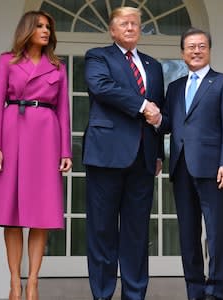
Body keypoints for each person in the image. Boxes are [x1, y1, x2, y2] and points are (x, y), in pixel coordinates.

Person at [149, 28, 223, 300]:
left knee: (216, 236)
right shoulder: (175, 88)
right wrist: (154, 118)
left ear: (209, 50)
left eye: (201, 46)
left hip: (214, 170)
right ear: (182, 53)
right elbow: (167, 123)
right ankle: (195, 292)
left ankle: (215, 293)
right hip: (181, 168)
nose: (196, 51)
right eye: (191, 47)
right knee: (188, 238)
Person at [0, 11, 72, 300]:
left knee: (41, 214)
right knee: (10, 214)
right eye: (40, 26)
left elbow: (63, 111)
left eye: (48, 27)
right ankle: (14, 283)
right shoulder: (6, 61)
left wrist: (65, 151)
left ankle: (33, 282)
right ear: (27, 30)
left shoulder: (58, 67)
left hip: (46, 136)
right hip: (11, 134)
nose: (46, 31)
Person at [82, 6, 164, 300]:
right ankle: (102, 295)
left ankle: (135, 295)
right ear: (112, 29)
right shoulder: (98, 56)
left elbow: (159, 111)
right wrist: (143, 106)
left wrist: (158, 154)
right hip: (106, 155)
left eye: (135, 24)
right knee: (102, 232)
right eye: (123, 23)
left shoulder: (153, 66)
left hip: (142, 159)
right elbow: (101, 87)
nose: (130, 28)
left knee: (136, 234)